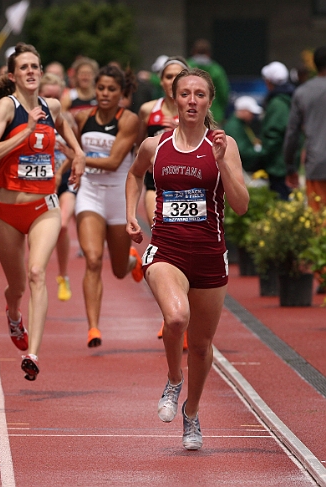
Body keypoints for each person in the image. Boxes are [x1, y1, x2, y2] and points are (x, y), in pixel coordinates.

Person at [126, 68, 249, 450]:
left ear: (210, 101)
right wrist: (131, 213)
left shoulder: (225, 143)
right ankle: (173, 379)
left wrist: (222, 161)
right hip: (167, 250)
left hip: (210, 254)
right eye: (185, 94)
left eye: (199, 94)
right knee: (176, 317)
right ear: (175, 100)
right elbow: (134, 175)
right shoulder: (156, 144)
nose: (192, 100)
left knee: (201, 344)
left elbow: (242, 205)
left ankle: (191, 413)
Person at [0, 42, 85, 381]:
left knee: (38, 271)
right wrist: (24, 133)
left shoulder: (52, 105)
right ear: (12, 76)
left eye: (35, 66)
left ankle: (33, 353)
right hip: (7, 211)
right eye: (24, 67)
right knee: (17, 285)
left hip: (44, 208)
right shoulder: (7, 109)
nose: (31, 72)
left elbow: (67, 129)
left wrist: (78, 154)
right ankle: (12, 313)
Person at [74, 64, 142, 348]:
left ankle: (131, 260)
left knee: (116, 269)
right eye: (100, 88)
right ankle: (93, 328)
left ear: (121, 93)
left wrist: (80, 158)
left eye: (111, 89)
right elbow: (73, 149)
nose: (104, 94)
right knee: (91, 259)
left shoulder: (129, 121)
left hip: (117, 196)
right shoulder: (81, 117)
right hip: (89, 194)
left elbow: (114, 162)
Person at [136, 56, 189, 344]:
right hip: (155, 185)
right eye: (168, 76)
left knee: (186, 249)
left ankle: (179, 312)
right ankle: (169, 315)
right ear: (161, 80)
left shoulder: (194, 111)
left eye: (179, 75)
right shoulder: (148, 110)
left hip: (184, 190)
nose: (172, 81)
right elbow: (137, 148)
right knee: (163, 242)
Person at [39, 72, 78, 301]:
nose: (51, 101)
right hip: (39, 181)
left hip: (63, 181)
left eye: (55, 96)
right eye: (46, 96)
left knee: (62, 225)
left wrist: (61, 171)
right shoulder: (31, 121)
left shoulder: (68, 121)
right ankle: (38, 273)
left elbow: (77, 154)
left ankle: (63, 275)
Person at [285, 46, 326, 212]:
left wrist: (290, 166)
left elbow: (292, 133)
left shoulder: (302, 93)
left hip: (317, 163)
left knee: (319, 221)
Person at [259, 61, 295, 200]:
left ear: (269, 82)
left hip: (278, 165)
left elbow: (274, 134)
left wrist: (262, 156)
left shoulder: (277, 103)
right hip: (286, 162)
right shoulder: (288, 98)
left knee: (281, 200)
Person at [187, 39, 230, 126]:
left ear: (193, 52)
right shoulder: (217, 70)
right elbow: (224, 94)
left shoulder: (186, 66)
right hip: (214, 116)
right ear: (209, 54)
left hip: (190, 114)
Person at [223, 96, 263, 173]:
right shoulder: (234, 126)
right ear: (243, 111)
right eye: (251, 113)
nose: (253, 116)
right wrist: (262, 152)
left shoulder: (241, 124)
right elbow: (242, 150)